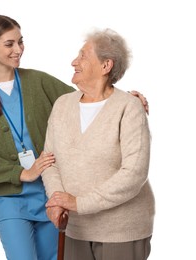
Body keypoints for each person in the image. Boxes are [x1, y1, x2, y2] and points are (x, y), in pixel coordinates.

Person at [0, 15, 149, 260]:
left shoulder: (37, 81)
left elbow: (88, 98)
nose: (18, 50)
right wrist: (20, 173)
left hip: (52, 193)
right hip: (10, 198)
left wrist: (125, 97)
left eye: (20, 41)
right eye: (9, 44)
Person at [42, 28, 155, 260]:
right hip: (76, 227)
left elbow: (134, 173)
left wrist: (79, 203)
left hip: (121, 230)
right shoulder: (62, 105)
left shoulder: (128, 107)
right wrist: (58, 200)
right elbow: (50, 160)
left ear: (106, 66)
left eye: (83, 56)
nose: (74, 61)